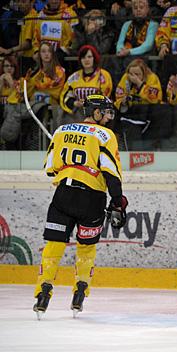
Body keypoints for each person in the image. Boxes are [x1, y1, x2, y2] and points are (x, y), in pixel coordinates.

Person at [33, 94, 128, 319]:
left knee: (54, 246)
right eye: (106, 112)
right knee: (86, 248)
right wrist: (117, 201)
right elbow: (111, 173)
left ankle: (43, 293)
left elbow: (50, 168)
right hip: (92, 199)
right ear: (95, 112)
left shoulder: (61, 131)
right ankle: (80, 292)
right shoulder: (105, 135)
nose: (108, 117)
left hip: (63, 195)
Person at [60, 45, 113, 123]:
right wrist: (75, 103)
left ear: (94, 58)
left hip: (99, 115)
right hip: (78, 115)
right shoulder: (73, 77)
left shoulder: (104, 75)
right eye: (83, 57)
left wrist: (90, 104)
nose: (86, 60)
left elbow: (106, 96)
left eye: (89, 57)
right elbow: (65, 96)